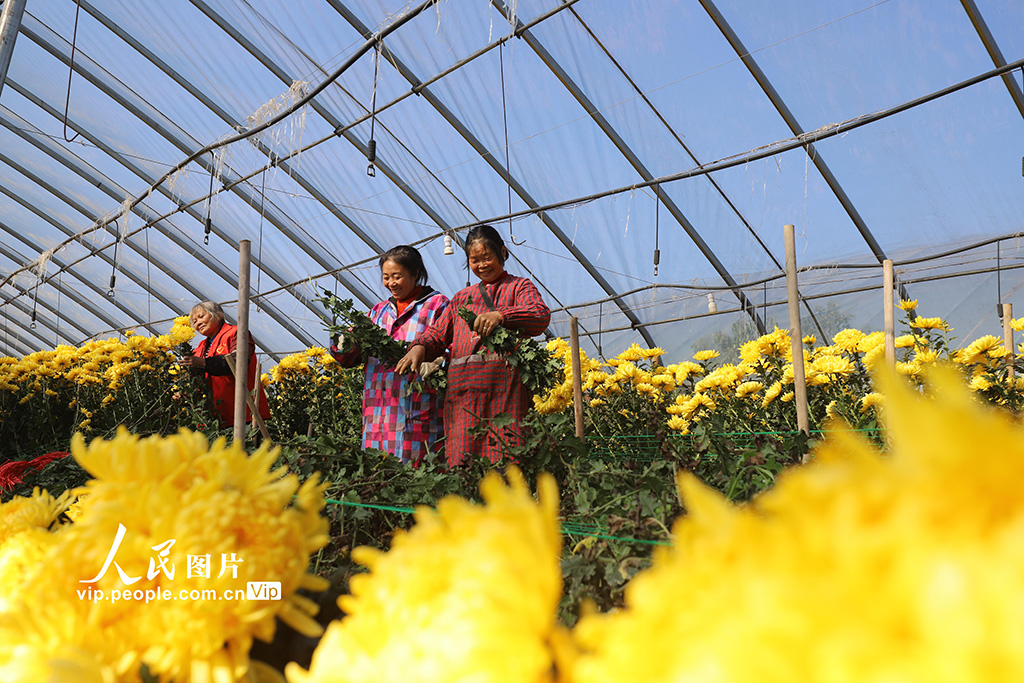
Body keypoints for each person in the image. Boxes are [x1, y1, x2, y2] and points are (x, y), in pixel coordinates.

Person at [396, 225, 550, 466]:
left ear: (503, 251)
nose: (482, 265)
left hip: (506, 392)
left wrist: (501, 315)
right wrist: (420, 347)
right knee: (463, 461)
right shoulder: (462, 298)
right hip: (463, 394)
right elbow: (437, 334)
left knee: (507, 461)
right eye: (475, 260)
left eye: (488, 257)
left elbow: (539, 314)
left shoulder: (520, 287)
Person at [330, 245, 449, 465]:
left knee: (417, 474)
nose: (391, 283)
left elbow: (451, 345)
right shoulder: (378, 312)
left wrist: (439, 362)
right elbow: (351, 357)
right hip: (378, 409)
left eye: (397, 276)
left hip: (416, 406)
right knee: (379, 474)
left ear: (415, 274)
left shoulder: (436, 305)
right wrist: (343, 345)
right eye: (386, 277)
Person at [177, 300, 270, 428]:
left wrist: (204, 362)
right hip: (213, 419)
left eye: (201, 317)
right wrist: (183, 394)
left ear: (218, 315)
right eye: (194, 321)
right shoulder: (200, 348)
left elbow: (239, 361)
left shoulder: (236, 333)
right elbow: (199, 381)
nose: (197, 323)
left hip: (244, 413)